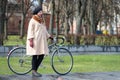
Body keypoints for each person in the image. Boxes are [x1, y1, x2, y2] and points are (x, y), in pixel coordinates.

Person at [26, 6, 52, 77]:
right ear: (37, 13)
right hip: (35, 41)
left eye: (41, 12)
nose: (41, 13)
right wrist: (31, 40)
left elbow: (44, 30)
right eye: (40, 12)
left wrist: (49, 36)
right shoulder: (33, 20)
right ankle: (34, 71)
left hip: (41, 42)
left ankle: (35, 70)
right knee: (35, 56)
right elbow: (30, 31)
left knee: (41, 55)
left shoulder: (42, 21)